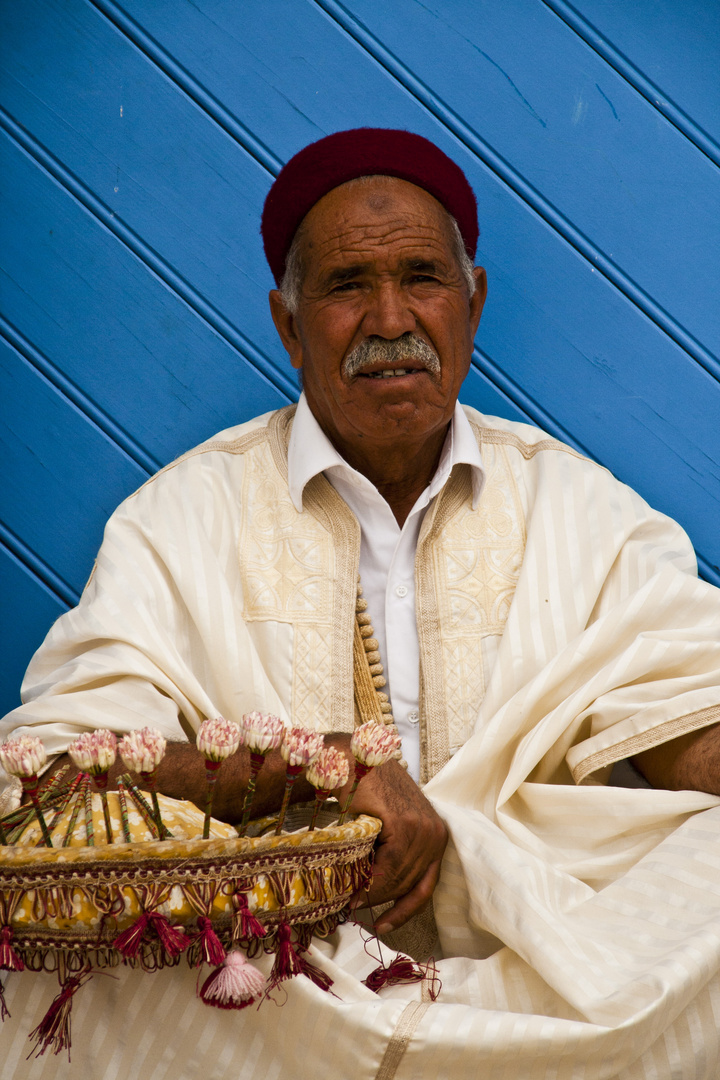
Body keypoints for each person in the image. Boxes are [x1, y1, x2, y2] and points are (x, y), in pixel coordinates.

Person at [2, 128, 720, 1079]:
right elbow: (53, 772)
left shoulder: (576, 506)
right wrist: (319, 774)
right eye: (347, 286)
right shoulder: (182, 516)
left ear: (472, 304)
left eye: (423, 276)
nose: (391, 317)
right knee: (94, 959)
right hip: (283, 986)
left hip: (538, 956)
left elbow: (684, 714)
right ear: (289, 325)